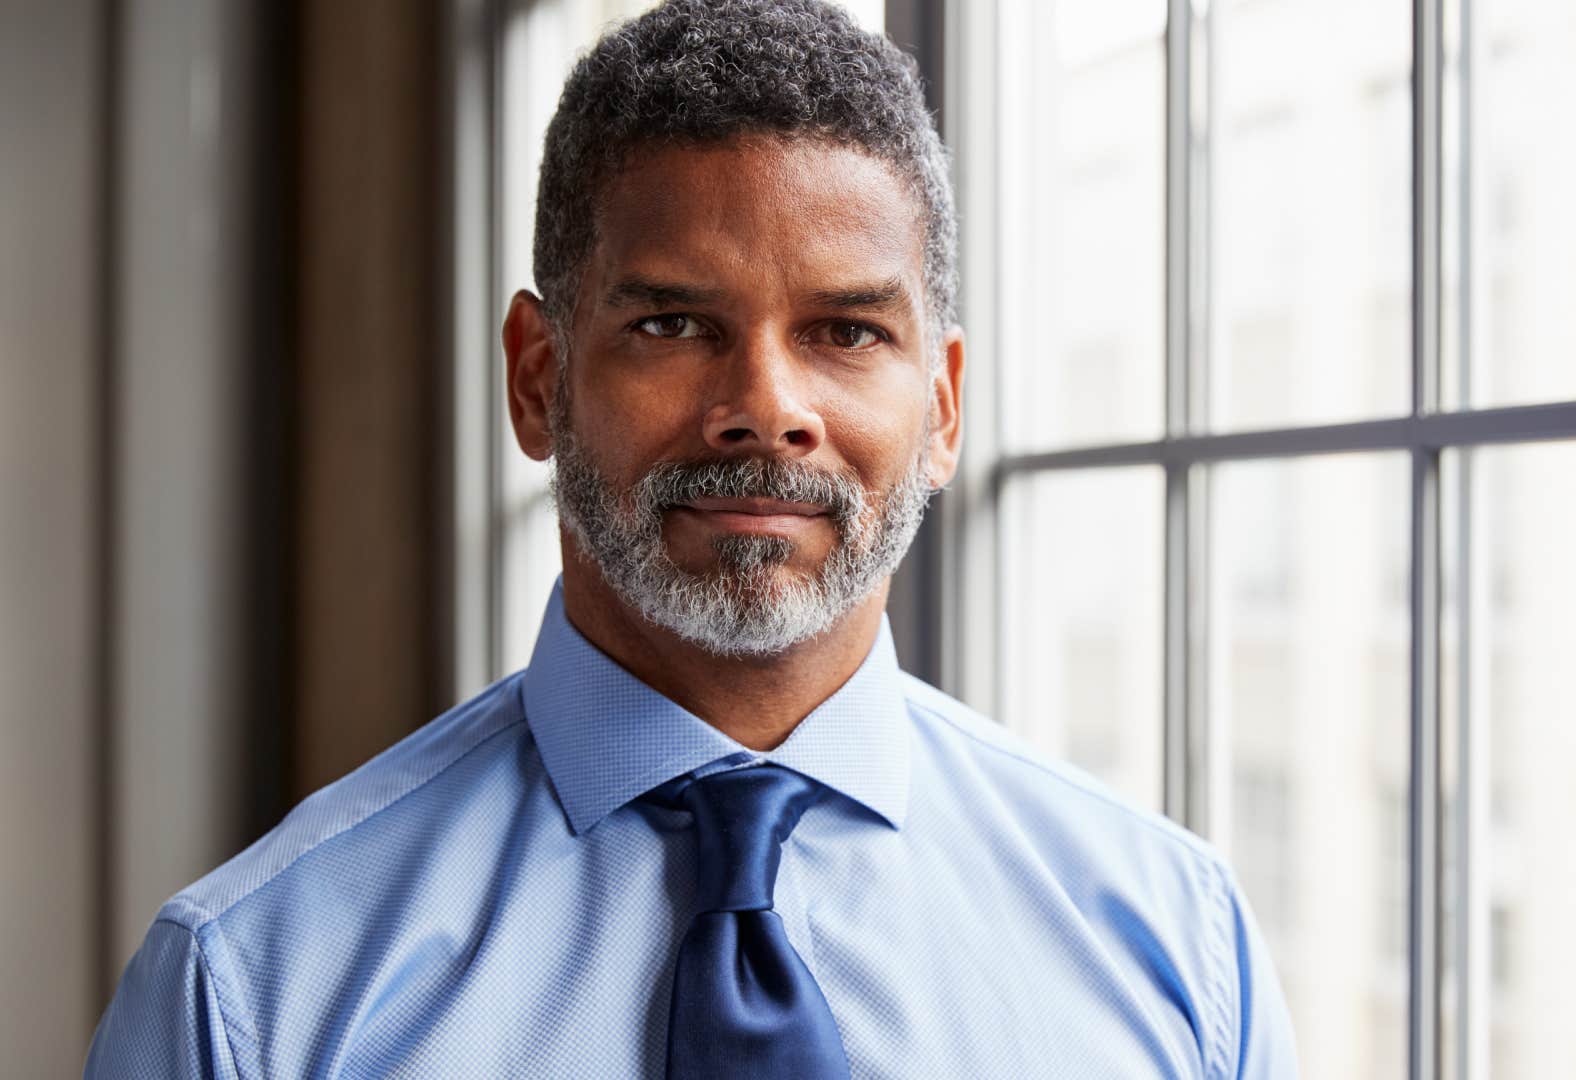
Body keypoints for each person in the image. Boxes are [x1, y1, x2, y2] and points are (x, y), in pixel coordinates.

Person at [86, 1, 1298, 1076]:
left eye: (846, 331)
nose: (765, 405)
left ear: (942, 406)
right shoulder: (251, 995)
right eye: (673, 323)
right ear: (535, 377)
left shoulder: (1180, 952)